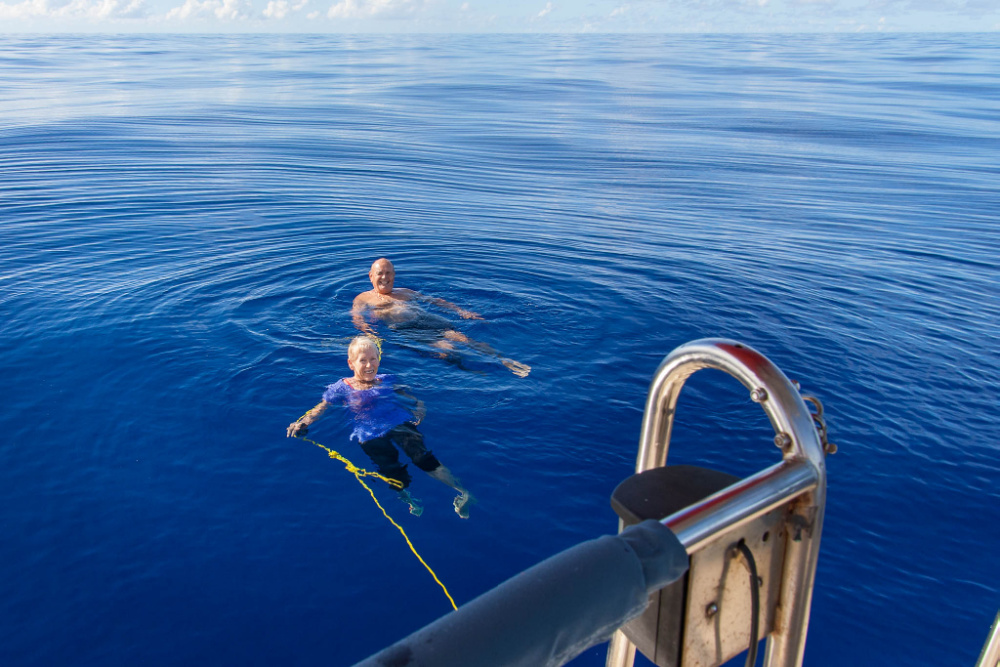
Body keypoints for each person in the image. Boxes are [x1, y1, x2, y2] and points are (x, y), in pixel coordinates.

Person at [287, 335, 474, 518]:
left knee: (423, 458)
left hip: (399, 424)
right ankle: (407, 498)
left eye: (373, 359)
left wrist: (420, 410)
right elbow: (321, 408)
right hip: (369, 434)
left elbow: (414, 400)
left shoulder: (388, 379)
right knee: (391, 469)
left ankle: (462, 491)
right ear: (351, 364)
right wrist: (302, 422)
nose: (369, 365)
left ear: (378, 360)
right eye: (363, 361)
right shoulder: (341, 388)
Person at [352, 258, 530, 378]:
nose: (385, 277)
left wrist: (461, 311)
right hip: (406, 328)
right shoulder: (364, 298)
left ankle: (504, 360)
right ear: (371, 276)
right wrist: (367, 329)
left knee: (465, 339)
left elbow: (434, 300)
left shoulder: (405, 292)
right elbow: (357, 317)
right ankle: (475, 369)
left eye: (388, 273)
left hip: (428, 319)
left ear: (394, 275)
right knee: (447, 349)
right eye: (380, 273)